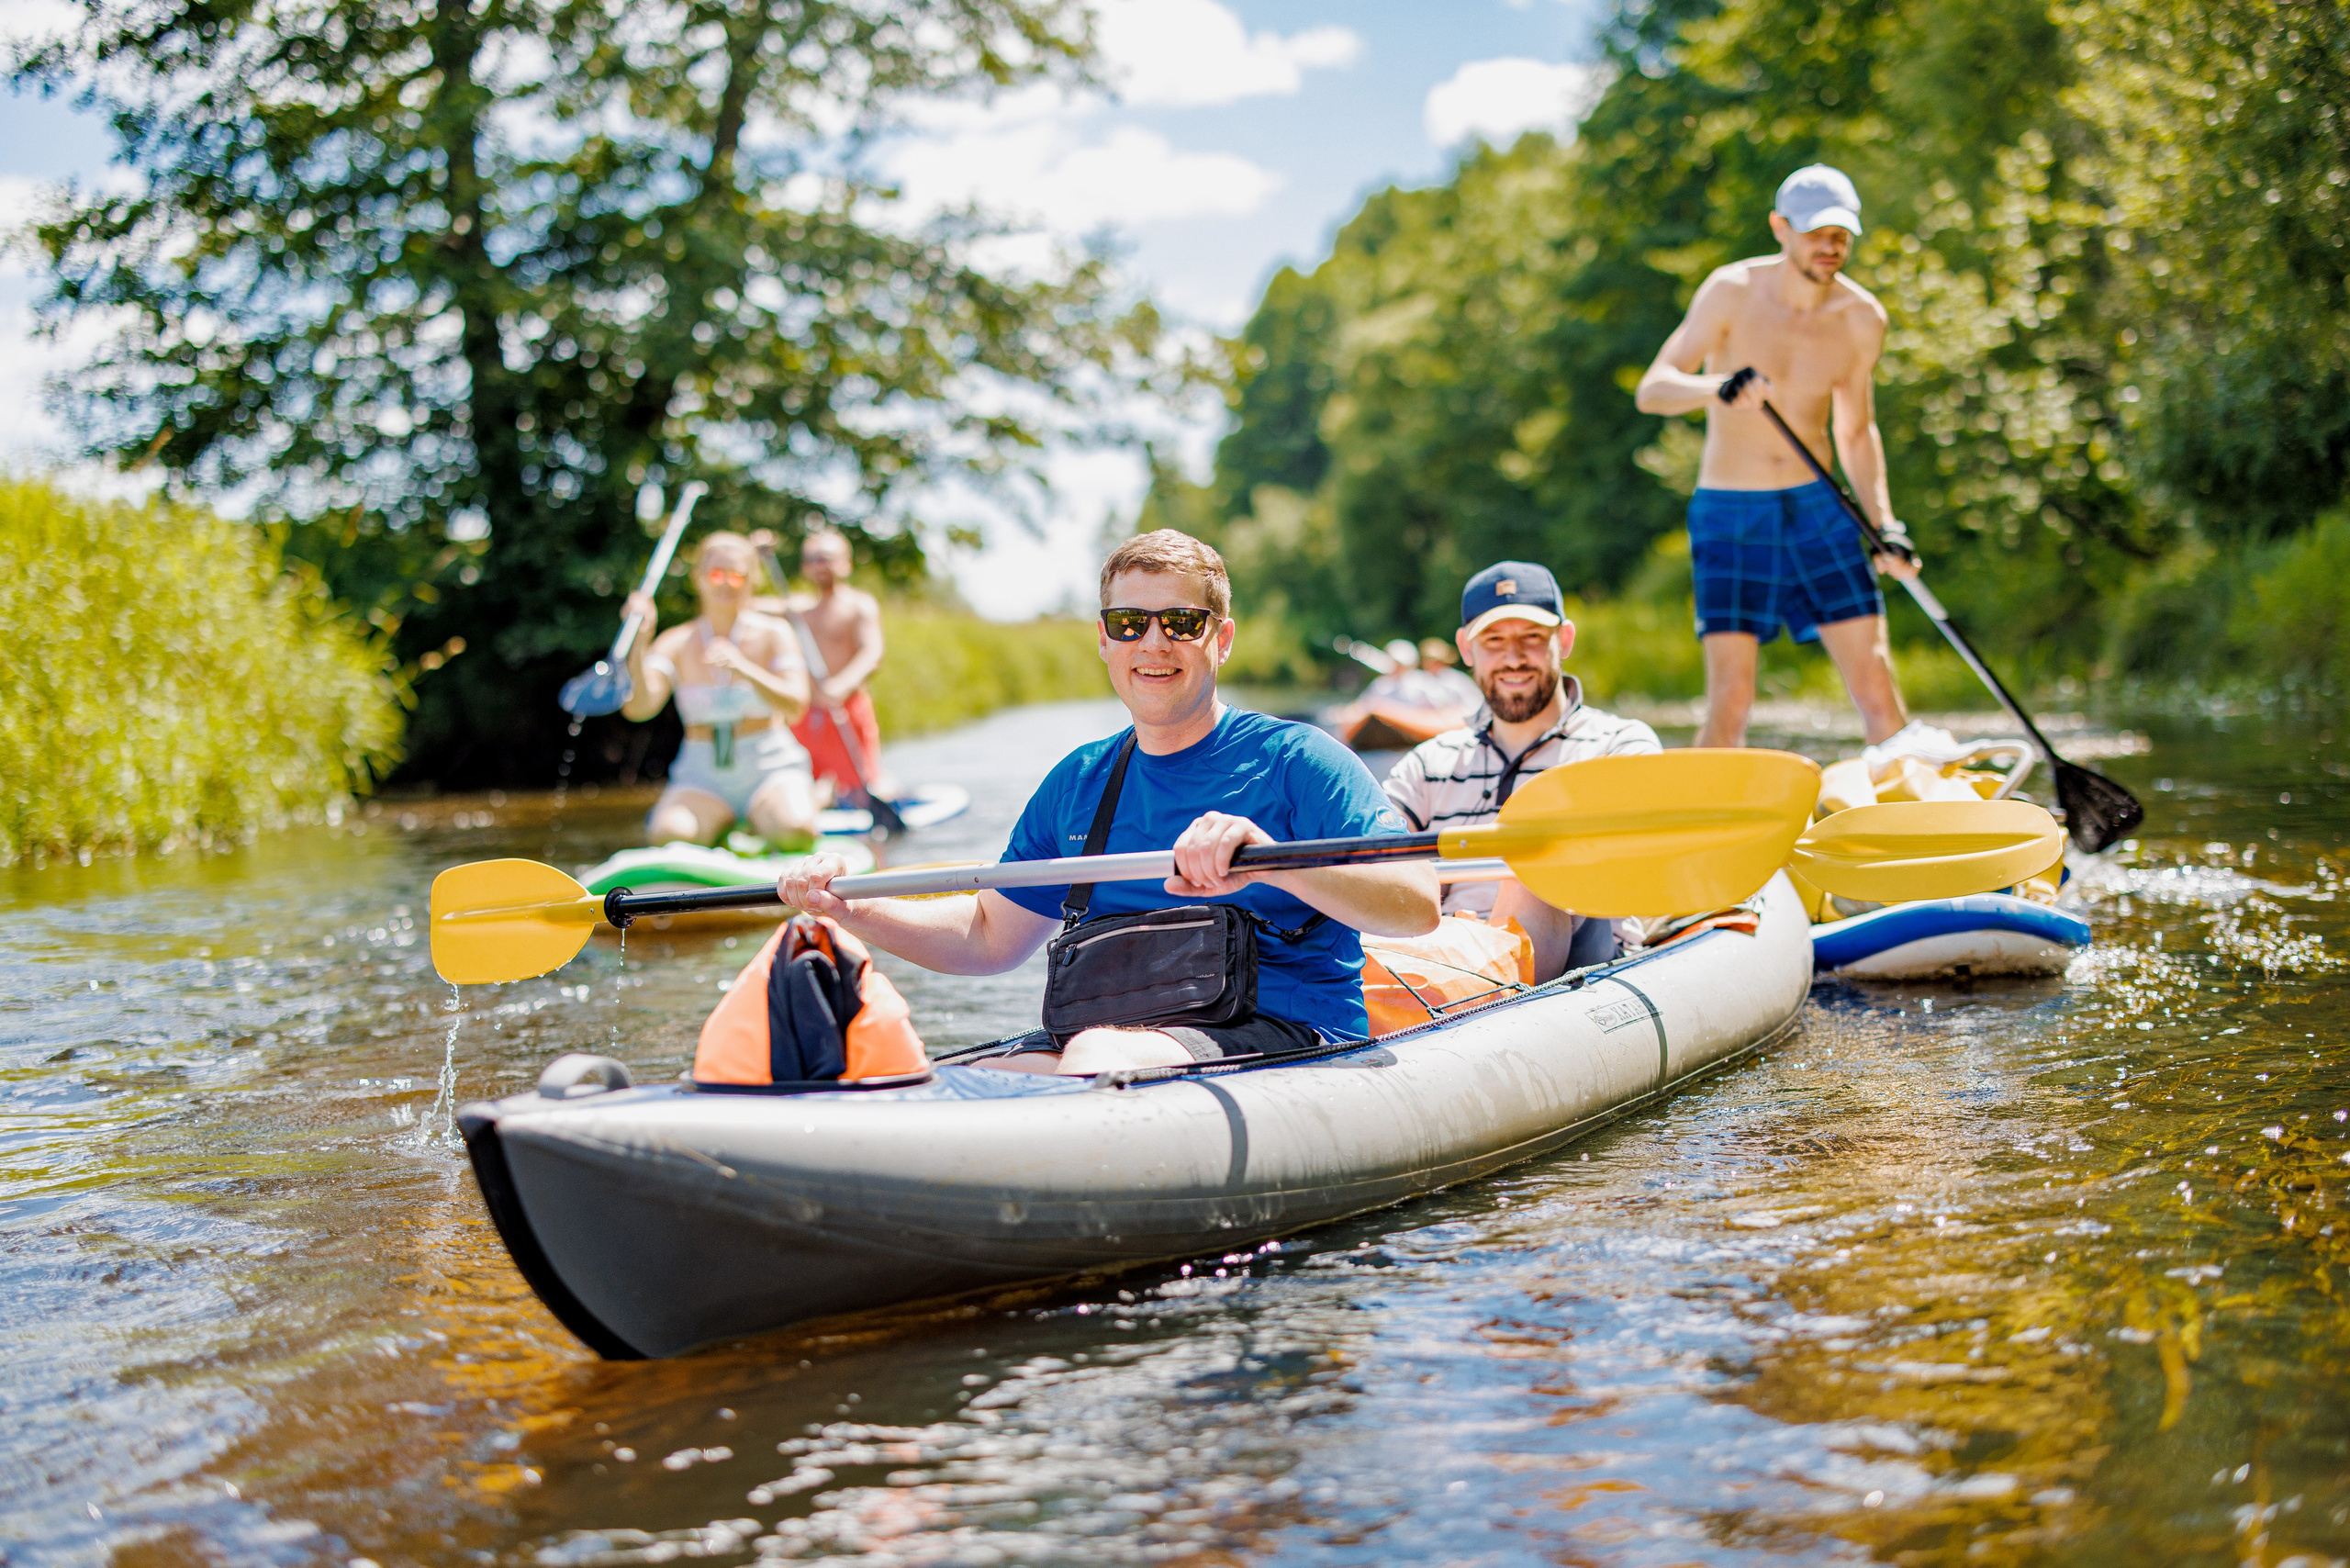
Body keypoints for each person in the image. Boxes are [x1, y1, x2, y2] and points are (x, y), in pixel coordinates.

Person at [778, 529, 1439, 1076]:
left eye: (1182, 622)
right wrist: (854, 905)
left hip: (1294, 1038)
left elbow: (1416, 906)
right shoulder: (1078, 781)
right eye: (1129, 623)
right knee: (932, 1080)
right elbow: (987, 938)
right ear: (1104, 640)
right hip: (1113, 1042)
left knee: (1095, 1055)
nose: (1153, 643)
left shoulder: (1300, 760)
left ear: (1223, 639)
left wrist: (1269, 863)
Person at [1632, 163, 1953, 770]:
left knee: (1876, 684)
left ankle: (1912, 826)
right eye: (1816, 234)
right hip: (1731, 508)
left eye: (1841, 235)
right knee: (1732, 698)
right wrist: (1718, 386)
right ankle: (1710, 836)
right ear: (1780, 228)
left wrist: (1884, 525)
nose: (1831, 248)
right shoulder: (1731, 290)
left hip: (1819, 508)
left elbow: (1857, 431)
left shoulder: (1861, 319)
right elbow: (1653, 388)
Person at [1381, 562, 1662, 981]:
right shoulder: (1428, 763)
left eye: (1531, 637)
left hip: (1581, 953)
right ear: (1467, 648)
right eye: (1493, 640)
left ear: (1563, 639)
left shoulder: (1621, 745)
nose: (1513, 658)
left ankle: (1476, 988)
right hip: (1442, 950)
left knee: (1535, 857)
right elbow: (1374, 853)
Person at [621, 532, 822, 848]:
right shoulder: (676, 641)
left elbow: (796, 705)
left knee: (794, 831)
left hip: (768, 769)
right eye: (716, 574)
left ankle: (802, 801)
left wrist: (744, 668)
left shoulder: (775, 633)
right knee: (668, 836)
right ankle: (725, 823)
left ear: (751, 580)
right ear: (699, 578)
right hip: (703, 775)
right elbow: (639, 708)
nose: (726, 583)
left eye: (737, 576)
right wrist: (639, 645)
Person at [776, 527, 899, 803]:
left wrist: (840, 686)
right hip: (806, 715)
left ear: (846, 563)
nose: (820, 566)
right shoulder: (799, 609)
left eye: (827, 558)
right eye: (813, 559)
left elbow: (872, 653)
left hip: (845, 709)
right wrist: (758, 554)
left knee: (863, 785)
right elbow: (744, 605)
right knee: (808, 783)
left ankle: (879, 793)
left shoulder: (859, 605)